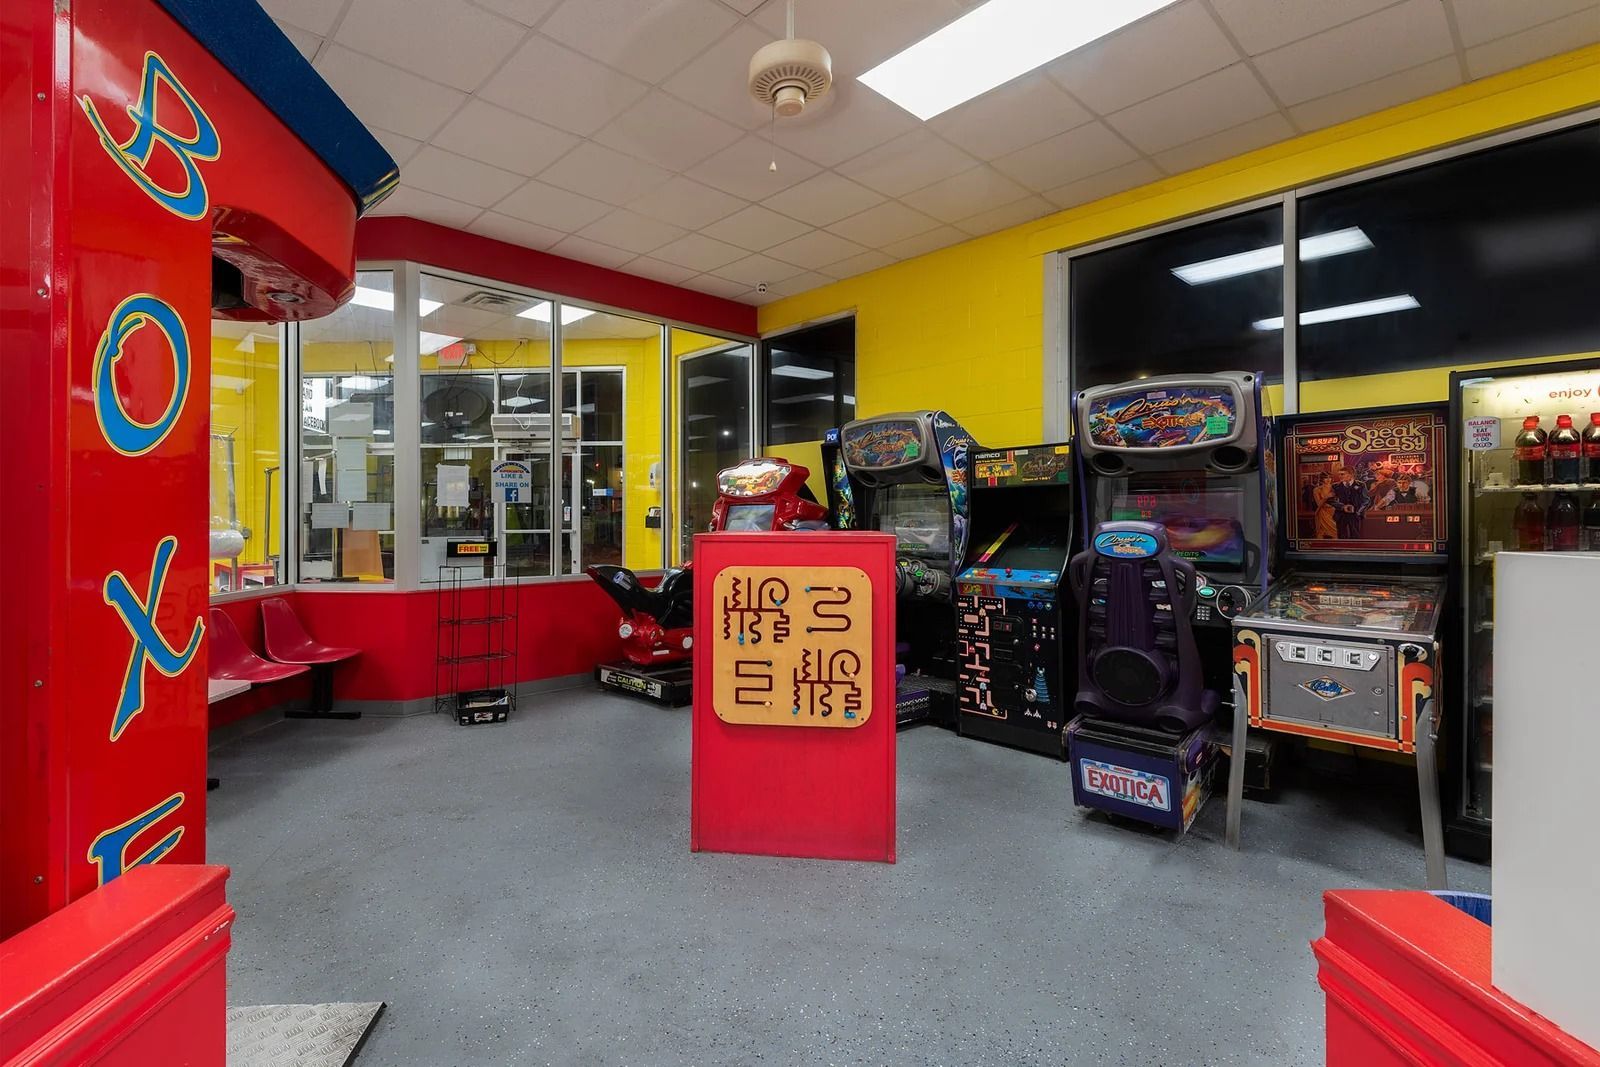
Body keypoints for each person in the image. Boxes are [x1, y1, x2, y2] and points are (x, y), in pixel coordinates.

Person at [1331, 467, 1366, 539]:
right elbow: (1331, 500)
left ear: (1351, 475)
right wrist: (1342, 507)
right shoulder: (1335, 486)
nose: (1340, 476)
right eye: (1339, 474)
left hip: (1355, 515)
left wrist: (1358, 511)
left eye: (1342, 474)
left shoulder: (1361, 485)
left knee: (1355, 536)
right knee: (1341, 536)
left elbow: (1366, 500)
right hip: (1340, 515)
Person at [1312, 472, 1338, 539]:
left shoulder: (1335, 488)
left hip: (1334, 512)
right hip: (1323, 513)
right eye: (1326, 477)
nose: (1328, 479)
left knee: (1336, 533)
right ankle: (1319, 548)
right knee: (1321, 533)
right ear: (1322, 479)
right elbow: (1319, 504)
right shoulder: (1317, 490)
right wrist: (1326, 497)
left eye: (1330, 477)